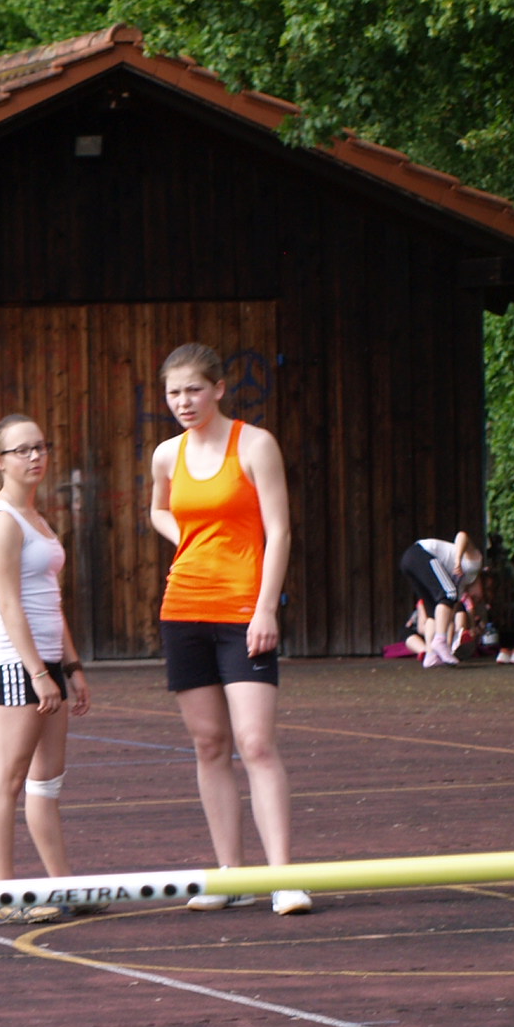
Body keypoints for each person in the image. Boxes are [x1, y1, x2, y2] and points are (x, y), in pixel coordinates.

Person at [147, 343, 309, 916]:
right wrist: (190, 540)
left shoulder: (256, 444)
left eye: (194, 389)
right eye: (173, 393)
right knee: (209, 744)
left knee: (256, 743)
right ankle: (230, 875)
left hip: (243, 610)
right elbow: (158, 510)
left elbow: (279, 531)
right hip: (183, 608)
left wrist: (266, 608)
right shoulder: (166, 455)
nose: (183, 401)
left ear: (218, 389)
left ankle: (284, 877)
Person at [0, 413, 90, 920]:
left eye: (40, 446)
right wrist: (38, 673)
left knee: (46, 782)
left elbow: (49, 600)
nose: (35, 456)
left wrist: (71, 665)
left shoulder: (36, 517)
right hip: (13, 660)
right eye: (22, 450)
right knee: (9, 779)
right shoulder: (2, 521)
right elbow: (9, 605)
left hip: (46, 659)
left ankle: (66, 888)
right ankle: (4, 898)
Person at [399, 531, 482, 668]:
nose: (476, 598)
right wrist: (458, 560)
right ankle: (440, 641)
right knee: (449, 594)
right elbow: (462, 536)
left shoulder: (460, 587)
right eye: (479, 596)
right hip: (421, 553)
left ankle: (430, 655)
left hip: (409, 561)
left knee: (434, 610)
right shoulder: (475, 563)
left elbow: (448, 614)